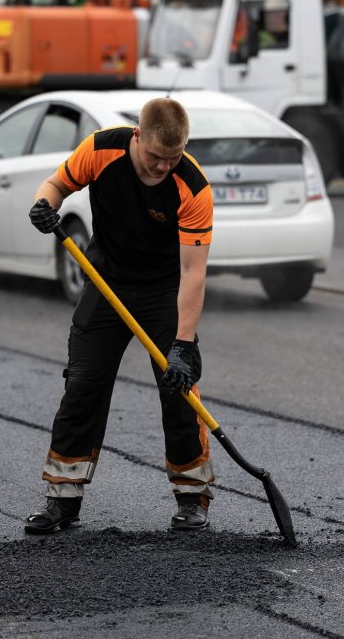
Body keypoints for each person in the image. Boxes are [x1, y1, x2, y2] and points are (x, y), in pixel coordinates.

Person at [24, 97, 215, 535]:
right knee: (84, 383)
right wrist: (42, 205)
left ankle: (192, 497)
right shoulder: (99, 150)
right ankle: (62, 498)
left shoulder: (192, 186)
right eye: (155, 157)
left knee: (179, 391)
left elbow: (193, 271)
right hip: (105, 281)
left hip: (164, 289)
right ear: (137, 137)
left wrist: (183, 346)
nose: (164, 167)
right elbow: (54, 186)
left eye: (173, 158)